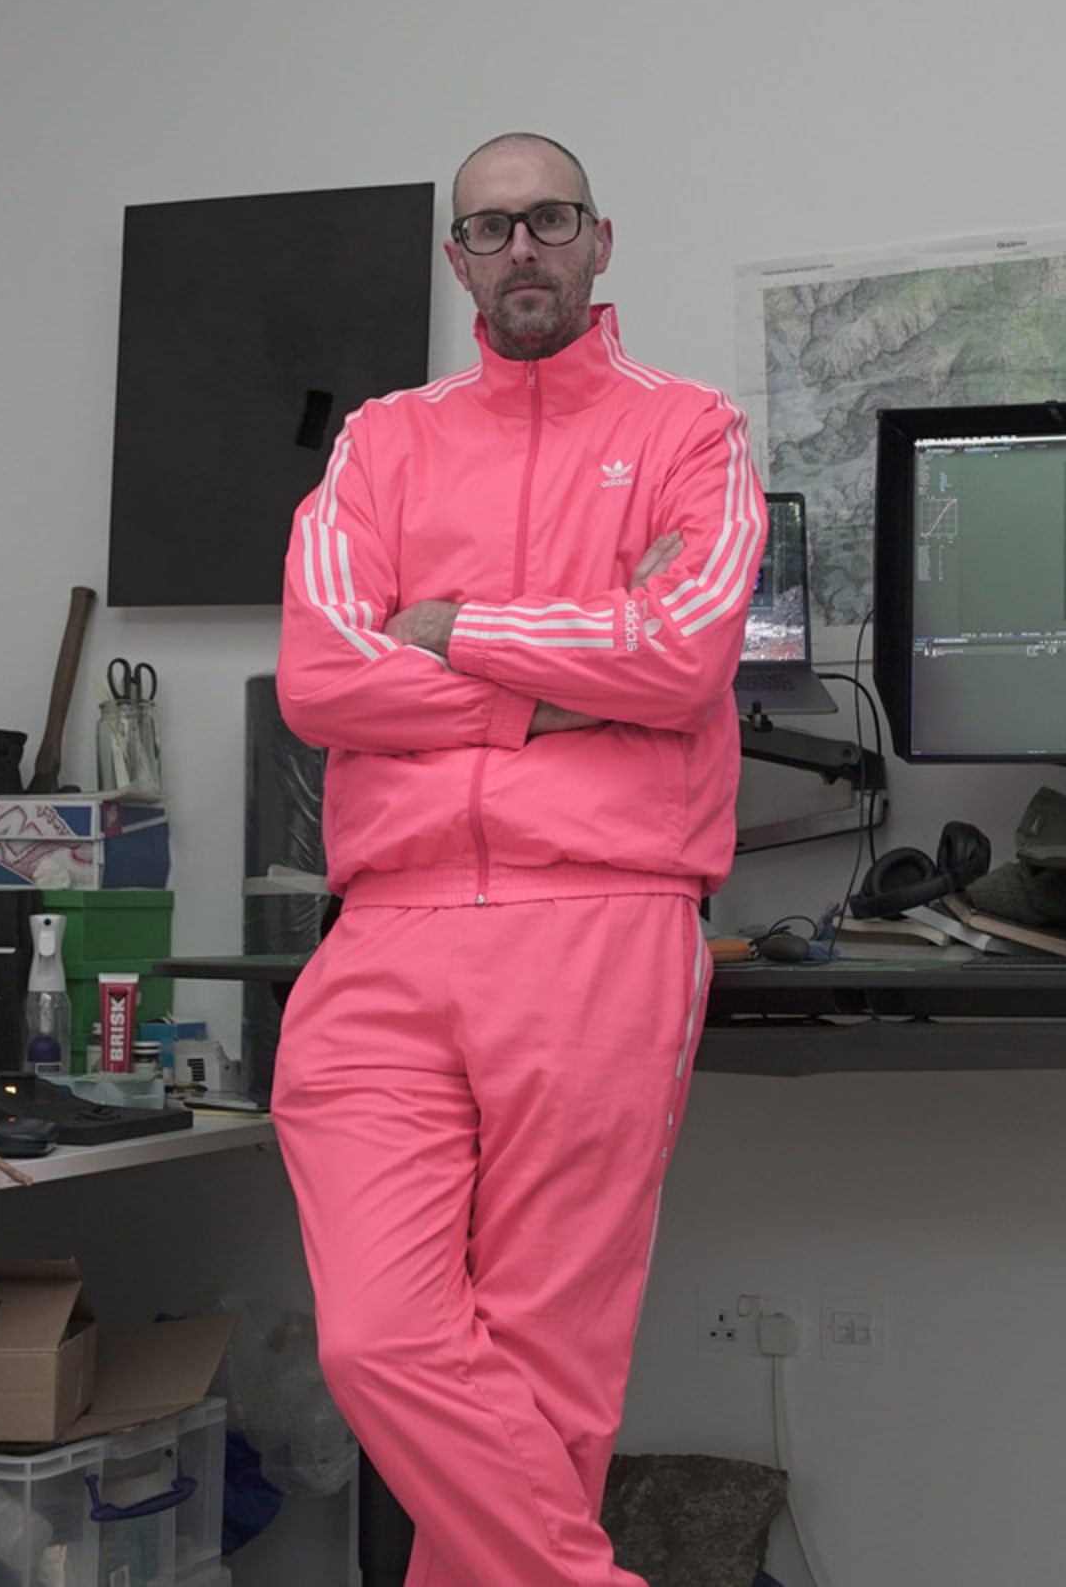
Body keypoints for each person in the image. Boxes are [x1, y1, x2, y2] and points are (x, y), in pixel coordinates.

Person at [272, 132, 766, 1586]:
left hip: (602, 923)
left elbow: (682, 655)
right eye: (490, 230)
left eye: (549, 220)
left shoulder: (692, 431)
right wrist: (561, 688)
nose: (522, 250)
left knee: (544, 1383)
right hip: (388, 933)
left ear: (600, 240)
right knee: (381, 1335)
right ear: (458, 261)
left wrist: (452, 627)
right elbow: (321, 679)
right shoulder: (384, 439)